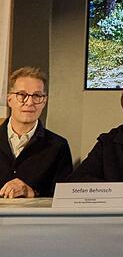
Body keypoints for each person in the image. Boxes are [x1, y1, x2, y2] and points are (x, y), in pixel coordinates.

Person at [0, 67, 72, 198]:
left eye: (37, 96)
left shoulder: (58, 146)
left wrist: (32, 192)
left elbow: (64, 196)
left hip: (35, 218)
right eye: (22, 95)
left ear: (44, 101)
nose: (29, 102)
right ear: (9, 99)